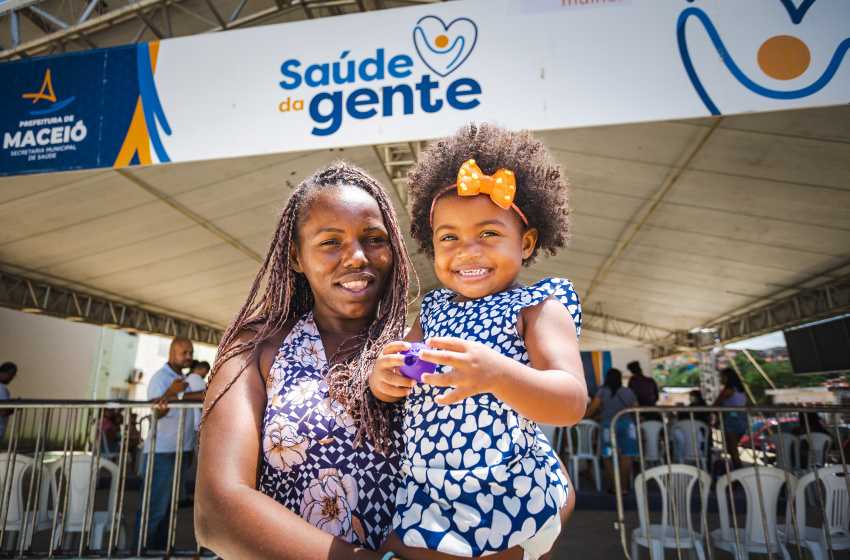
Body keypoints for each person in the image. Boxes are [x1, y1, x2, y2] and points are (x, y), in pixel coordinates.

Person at [370, 123, 584, 559]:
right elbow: (396, 374)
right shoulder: (432, 309)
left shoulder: (538, 307)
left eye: (488, 233)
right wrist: (385, 377)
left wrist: (497, 374)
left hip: (506, 489)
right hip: (431, 487)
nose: (467, 250)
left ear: (525, 243)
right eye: (449, 237)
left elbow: (570, 401)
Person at [194, 162, 413, 560]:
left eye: (374, 238)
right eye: (331, 241)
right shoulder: (256, 349)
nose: (357, 257)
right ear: (295, 256)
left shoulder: (419, 350)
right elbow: (216, 511)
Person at [132, 337, 192, 550]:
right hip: (161, 452)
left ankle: (160, 551)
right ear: (171, 353)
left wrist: (190, 447)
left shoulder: (181, 378)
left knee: (169, 508)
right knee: (154, 507)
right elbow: (157, 413)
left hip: (179, 450)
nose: (188, 357)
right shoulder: (161, 377)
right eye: (184, 352)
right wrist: (171, 392)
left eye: (190, 353)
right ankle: (140, 551)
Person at [585, 368, 638, 496]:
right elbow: (636, 408)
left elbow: (592, 409)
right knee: (626, 455)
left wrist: (577, 416)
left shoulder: (602, 391)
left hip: (608, 426)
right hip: (627, 425)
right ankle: (624, 487)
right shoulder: (628, 392)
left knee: (607, 455)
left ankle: (616, 486)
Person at [712, 368, 747, 471]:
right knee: (733, 449)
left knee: (733, 451)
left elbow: (714, 405)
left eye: (723, 377)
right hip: (741, 420)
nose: (721, 380)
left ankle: (739, 475)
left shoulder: (727, 392)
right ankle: (739, 473)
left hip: (731, 421)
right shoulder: (740, 391)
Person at [0, 362, 17, 444]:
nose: (12, 378)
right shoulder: (1, 389)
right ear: (9, 373)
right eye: (12, 375)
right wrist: (16, 407)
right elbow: (3, 411)